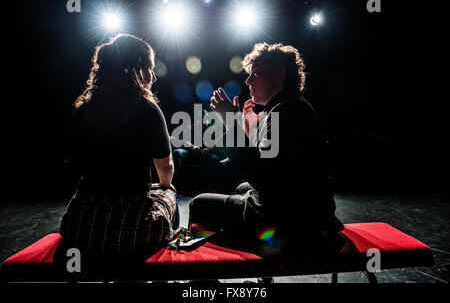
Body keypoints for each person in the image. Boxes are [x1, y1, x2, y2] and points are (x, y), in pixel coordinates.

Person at [189, 42, 344, 257]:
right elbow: (270, 166)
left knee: (199, 205)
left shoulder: (285, 112)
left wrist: (231, 122)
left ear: (280, 74)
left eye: (257, 73)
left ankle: (203, 284)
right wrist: (245, 130)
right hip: (311, 213)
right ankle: (263, 273)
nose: (248, 80)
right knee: (243, 188)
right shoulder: (288, 106)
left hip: (293, 222)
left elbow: (263, 177)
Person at [58, 34, 178, 258]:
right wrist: (163, 185)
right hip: (131, 228)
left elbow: (73, 161)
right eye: (149, 68)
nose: (153, 77)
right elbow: (165, 165)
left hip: (80, 224)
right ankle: (160, 268)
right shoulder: (148, 109)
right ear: (135, 68)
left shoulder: (83, 108)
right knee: (169, 195)